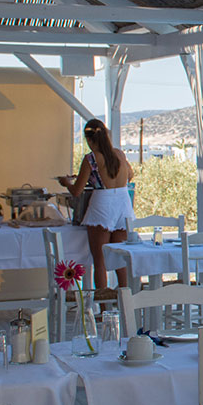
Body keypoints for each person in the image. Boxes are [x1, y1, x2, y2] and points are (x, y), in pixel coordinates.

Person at [58, 119, 134, 299]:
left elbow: (77, 191)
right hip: (123, 204)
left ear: (89, 139)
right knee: (120, 260)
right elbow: (130, 175)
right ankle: (126, 305)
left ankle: (103, 309)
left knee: (99, 262)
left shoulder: (91, 158)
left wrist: (66, 182)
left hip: (102, 205)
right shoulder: (120, 154)